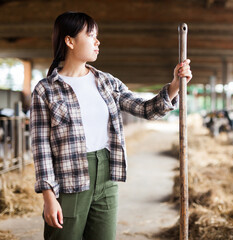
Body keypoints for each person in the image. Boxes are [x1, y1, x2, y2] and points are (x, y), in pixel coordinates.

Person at [30, 11, 192, 240]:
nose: (98, 42)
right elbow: (40, 148)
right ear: (70, 41)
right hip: (69, 180)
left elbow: (145, 109)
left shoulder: (107, 82)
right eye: (91, 35)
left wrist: (175, 84)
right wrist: (48, 196)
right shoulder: (45, 89)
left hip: (106, 177)